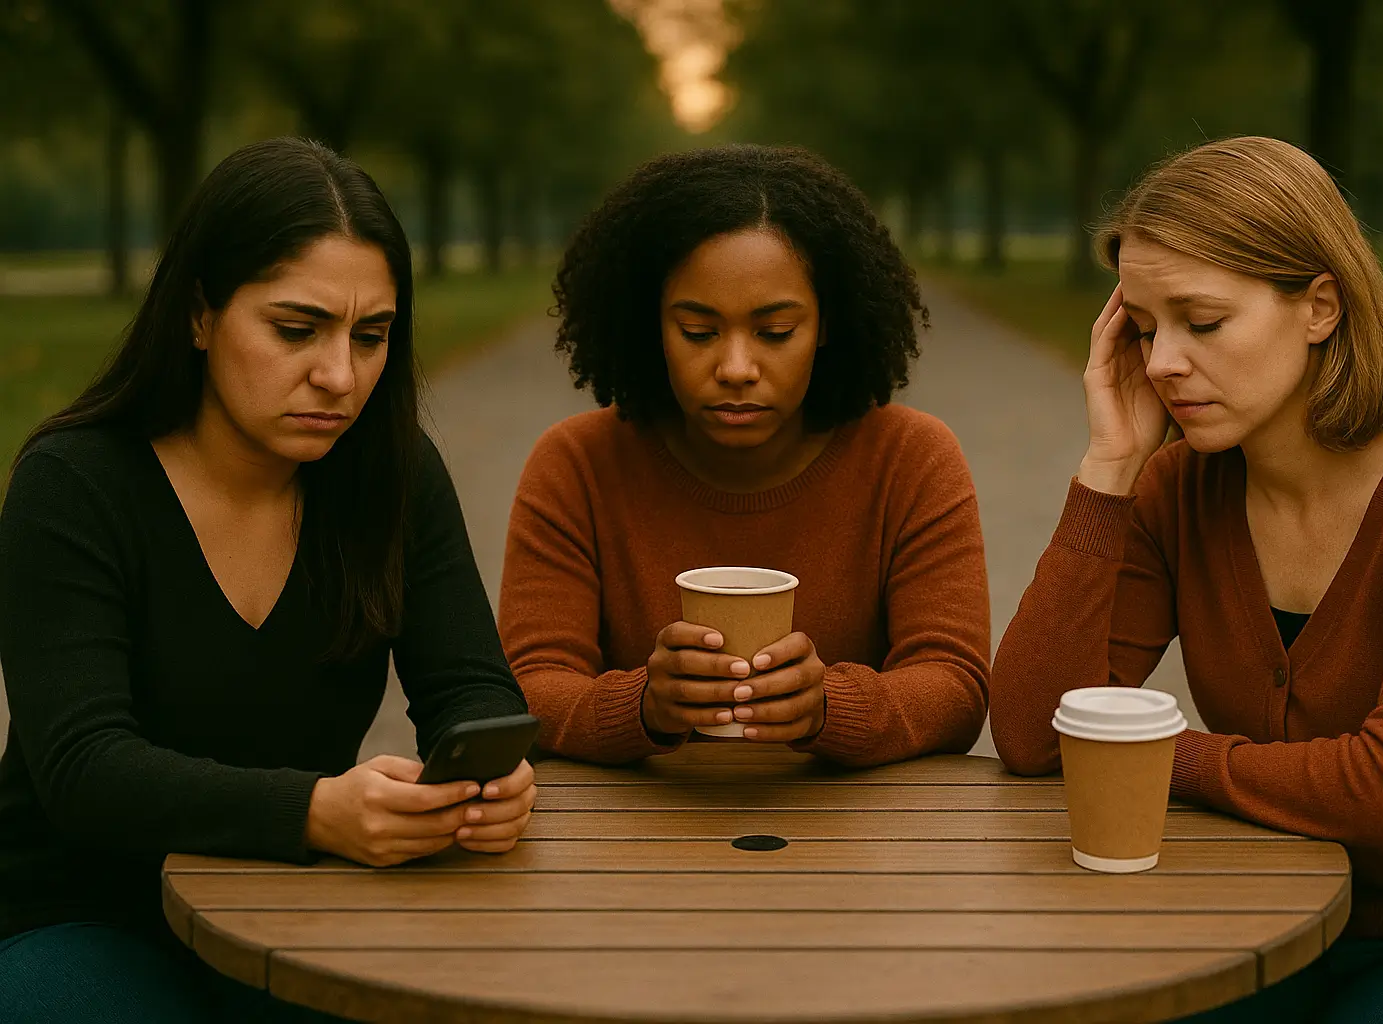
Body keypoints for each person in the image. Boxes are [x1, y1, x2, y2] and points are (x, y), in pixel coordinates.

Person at [988, 135, 1383, 1022]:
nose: (1163, 362)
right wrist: (1109, 468)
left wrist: (1142, 755)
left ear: (1319, 306)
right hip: (1262, 914)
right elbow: (1030, 733)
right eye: (1142, 327)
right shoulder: (1179, 487)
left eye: (1201, 323)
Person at [0, 138, 536, 1022]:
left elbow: (470, 686)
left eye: (372, 337)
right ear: (200, 313)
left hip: (296, 908)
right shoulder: (76, 484)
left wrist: (487, 774)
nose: (339, 376)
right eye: (297, 330)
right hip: (78, 915)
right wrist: (315, 812)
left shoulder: (391, 475)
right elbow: (85, 769)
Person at [498, 144, 989, 767]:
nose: (736, 368)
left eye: (775, 332)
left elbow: (957, 682)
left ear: (829, 324)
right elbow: (528, 685)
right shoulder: (576, 465)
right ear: (650, 324)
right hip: (628, 837)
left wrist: (828, 708)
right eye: (699, 332)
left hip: (857, 840)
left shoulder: (911, 458)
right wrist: (643, 705)